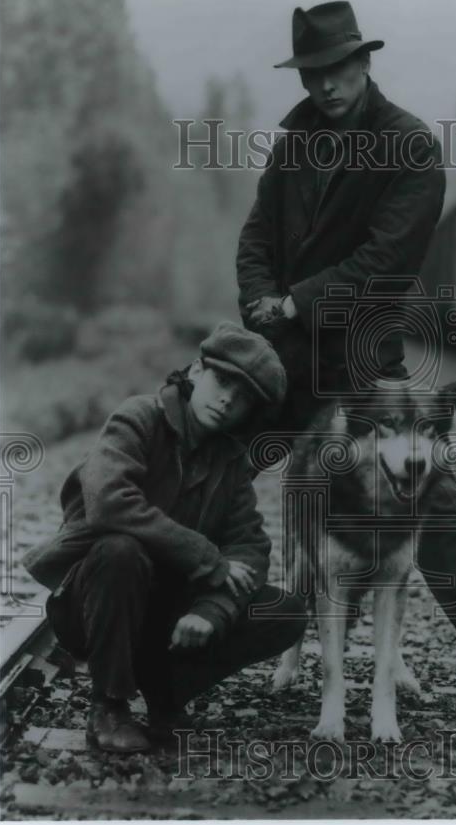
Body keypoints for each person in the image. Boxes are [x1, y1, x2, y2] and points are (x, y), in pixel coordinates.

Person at [237, 0, 456, 714]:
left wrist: (295, 300)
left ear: (364, 62)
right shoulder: (293, 143)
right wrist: (260, 302)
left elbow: (386, 261)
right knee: (196, 448)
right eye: (312, 72)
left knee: (429, 500)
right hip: (283, 349)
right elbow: (257, 231)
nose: (324, 85)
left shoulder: (409, 146)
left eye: (337, 69)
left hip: (358, 359)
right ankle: (142, 638)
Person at [23, 322, 307, 753]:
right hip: (94, 602)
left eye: (244, 395)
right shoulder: (139, 418)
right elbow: (109, 503)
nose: (228, 397)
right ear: (196, 371)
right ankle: (109, 707)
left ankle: (166, 693)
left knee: (284, 611)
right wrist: (205, 557)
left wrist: (212, 611)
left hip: (166, 611)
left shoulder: (229, 462)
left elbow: (249, 548)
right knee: (120, 549)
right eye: (223, 380)